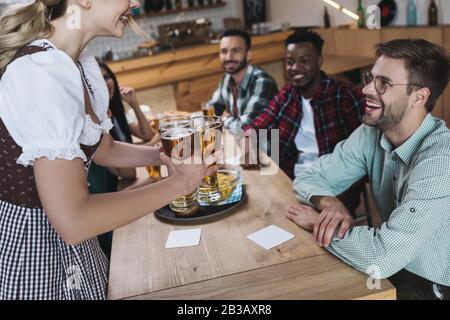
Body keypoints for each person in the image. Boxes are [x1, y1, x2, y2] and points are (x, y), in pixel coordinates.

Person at [0, 0, 217, 300]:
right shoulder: (42, 73)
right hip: (33, 251)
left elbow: (104, 148)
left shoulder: (74, 63)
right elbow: (74, 221)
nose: (137, 3)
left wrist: (163, 155)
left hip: (71, 246)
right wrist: (180, 183)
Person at [286, 38, 450, 300]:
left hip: (432, 283)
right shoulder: (370, 133)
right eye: (370, 78)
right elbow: (309, 177)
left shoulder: (441, 159)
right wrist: (330, 204)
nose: (366, 90)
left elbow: (382, 256)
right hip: (391, 265)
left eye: (383, 83)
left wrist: (317, 221)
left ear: (419, 97)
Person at [243, 30, 365, 213]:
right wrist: (249, 144)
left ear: (319, 61)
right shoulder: (287, 94)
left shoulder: (343, 95)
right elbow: (257, 125)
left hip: (332, 187)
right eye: (290, 62)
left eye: (304, 61)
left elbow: (368, 144)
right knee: (254, 207)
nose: (294, 68)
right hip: (291, 180)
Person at [208, 28, 279, 132]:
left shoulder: (262, 82)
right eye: (224, 51)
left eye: (236, 50)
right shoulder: (227, 78)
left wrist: (224, 118)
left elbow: (245, 128)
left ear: (248, 54)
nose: (228, 57)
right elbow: (211, 109)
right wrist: (223, 117)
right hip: (241, 144)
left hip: (265, 146)